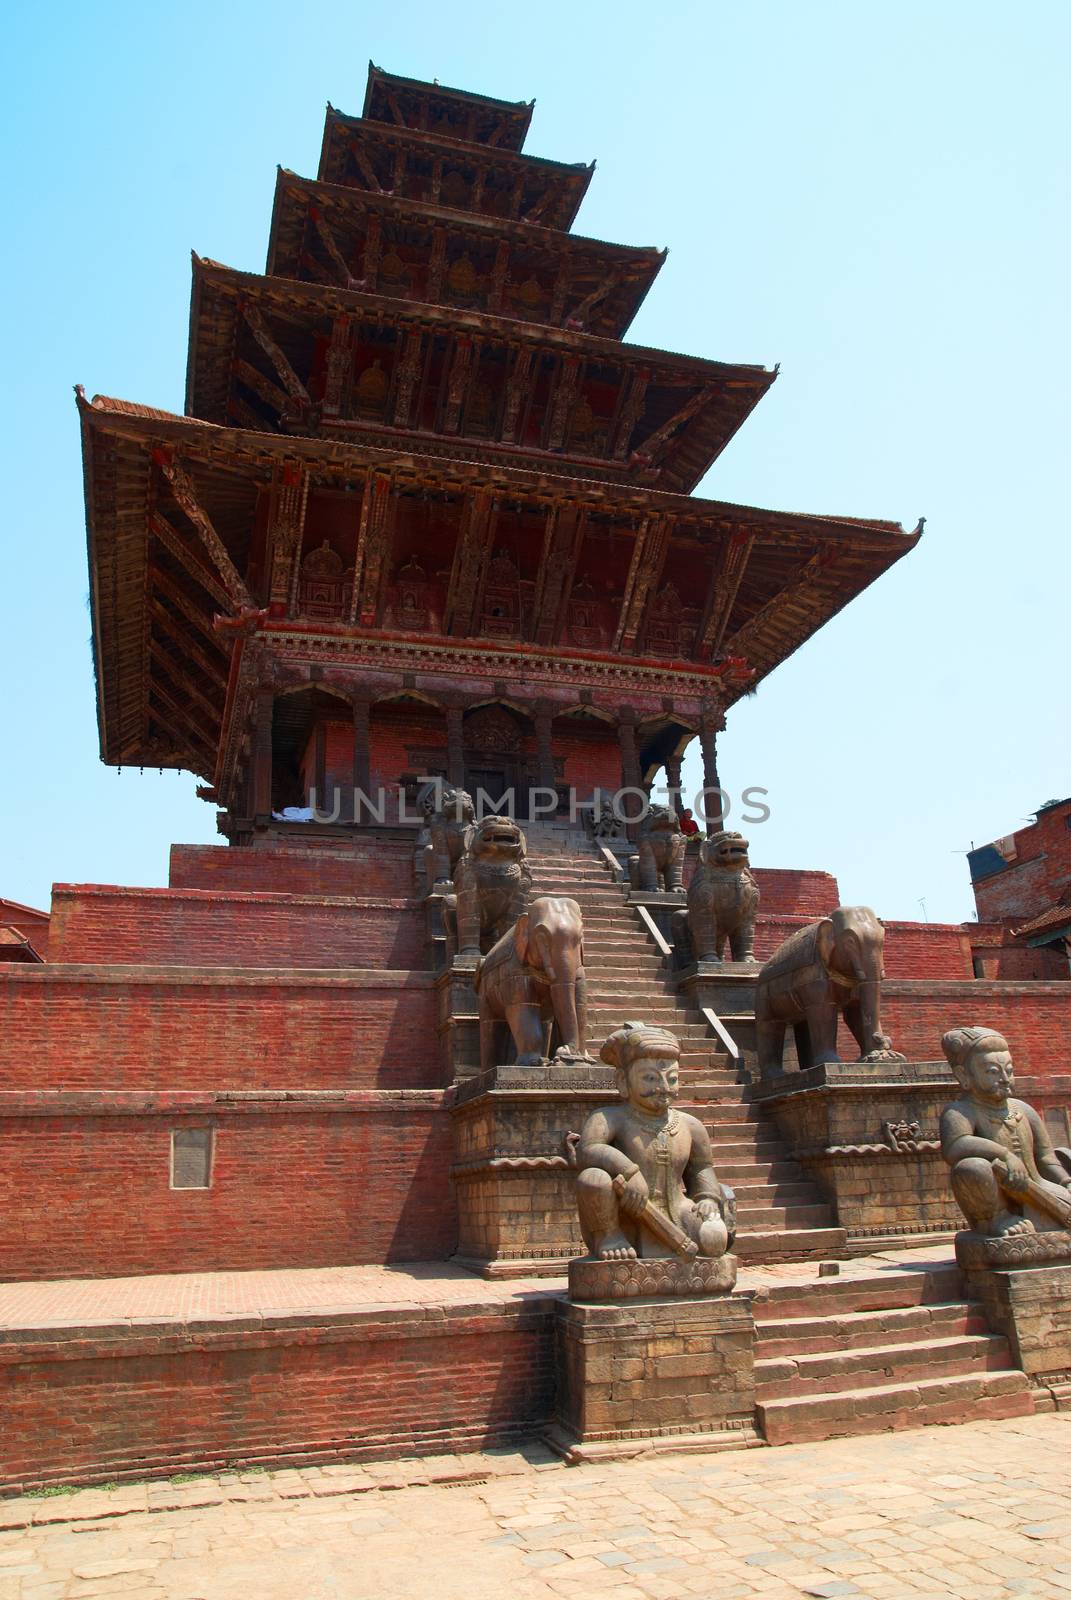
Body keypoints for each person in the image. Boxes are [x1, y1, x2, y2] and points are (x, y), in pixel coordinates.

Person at [574, 1021, 735, 1261]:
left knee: (714, 1240)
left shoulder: (690, 1126)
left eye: (672, 1078)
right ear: (622, 1081)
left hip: (678, 1211)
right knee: (593, 1178)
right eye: (650, 1078)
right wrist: (629, 1171)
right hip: (623, 1215)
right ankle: (608, 1237)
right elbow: (588, 1149)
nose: (662, 1087)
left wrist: (707, 1198)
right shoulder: (609, 1117)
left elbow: (702, 1168)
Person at [939, 1026, 1071, 1238]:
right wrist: (1004, 1154)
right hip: (997, 1196)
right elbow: (955, 1146)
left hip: (1039, 1189)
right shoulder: (960, 1111)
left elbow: (1046, 1157)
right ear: (964, 1075)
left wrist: (1066, 1182)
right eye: (992, 1071)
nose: (1004, 1078)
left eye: (1009, 1070)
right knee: (971, 1167)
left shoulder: (1023, 1109)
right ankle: (996, 1220)